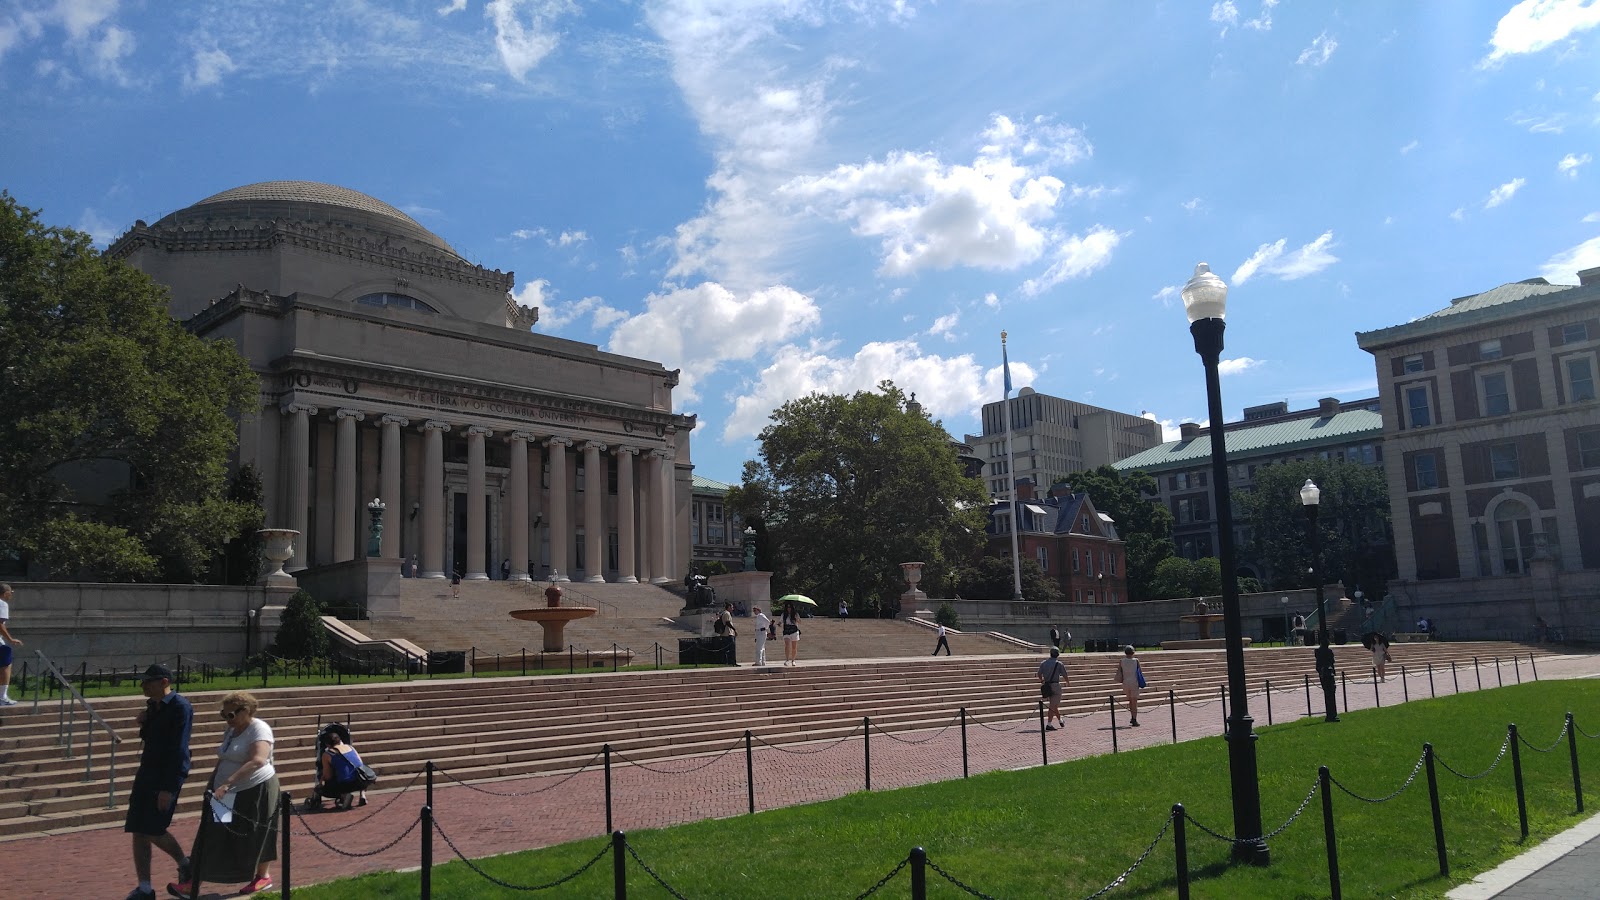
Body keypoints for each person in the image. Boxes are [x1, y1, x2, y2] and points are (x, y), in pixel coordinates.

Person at [168, 691, 279, 897]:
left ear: (245, 711)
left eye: (230, 715)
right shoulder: (232, 730)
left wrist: (227, 783)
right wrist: (214, 783)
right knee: (213, 834)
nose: (227, 719)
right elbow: (224, 757)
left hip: (255, 789)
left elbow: (258, 760)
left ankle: (263, 877)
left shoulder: (259, 728)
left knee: (257, 833)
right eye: (224, 715)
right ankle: (193, 885)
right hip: (223, 791)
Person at [124, 665, 194, 900]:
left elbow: (178, 749)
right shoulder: (153, 707)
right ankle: (144, 886)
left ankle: (186, 864)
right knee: (138, 828)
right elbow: (152, 739)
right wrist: (144, 722)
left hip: (166, 776)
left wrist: (168, 788)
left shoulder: (179, 707)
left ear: (164, 681)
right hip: (146, 773)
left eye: (148, 682)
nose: (143, 686)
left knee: (153, 829)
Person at [309, 723, 373, 811]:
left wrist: (321, 781)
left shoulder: (328, 754)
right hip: (361, 781)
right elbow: (360, 763)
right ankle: (362, 794)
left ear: (327, 745)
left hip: (345, 784)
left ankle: (344, 795)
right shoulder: (350, 747)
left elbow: (328, 776)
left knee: (323, 786)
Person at [0, 583, 22, 705]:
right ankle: (2, 696)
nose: (11, 595)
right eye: (11, 592)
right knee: (6, 664)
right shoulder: (2, 604)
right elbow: (0, 624)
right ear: (5, 593)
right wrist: (10, 639)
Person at [1037, 648, 1069, 731]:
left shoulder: (1044, 663)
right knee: (1053, 705)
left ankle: (1060, 720)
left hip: (1047, 685)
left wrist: (1042, 680)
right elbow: (1065, 674)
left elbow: (1039, 673)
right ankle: (1049, 724)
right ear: (1057, 654)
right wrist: (1067, 682)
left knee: (1054, 704)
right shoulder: (1059, 664)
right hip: (1055, 685)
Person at [1111, 645, 1143, 727]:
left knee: (1130, 700)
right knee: (1134, 701)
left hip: (1125, 683)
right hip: (1134, 683)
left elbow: (1119, 671)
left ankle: (1132, 716)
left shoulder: (1122, 661)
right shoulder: (1136, 661)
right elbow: (1140, 672)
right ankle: (1134, 718)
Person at [780, 600, 802, 666]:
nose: (789, 609)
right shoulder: (784, 614)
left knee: (794, 646)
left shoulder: (795, 614)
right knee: (787, 645)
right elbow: (781, 621)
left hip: (794, 630)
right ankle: (787, 659)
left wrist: (796, 618)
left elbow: (799, 622)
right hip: (786, 630)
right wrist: (778, 624)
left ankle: (793, 660)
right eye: (787, 607)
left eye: (790, 607)